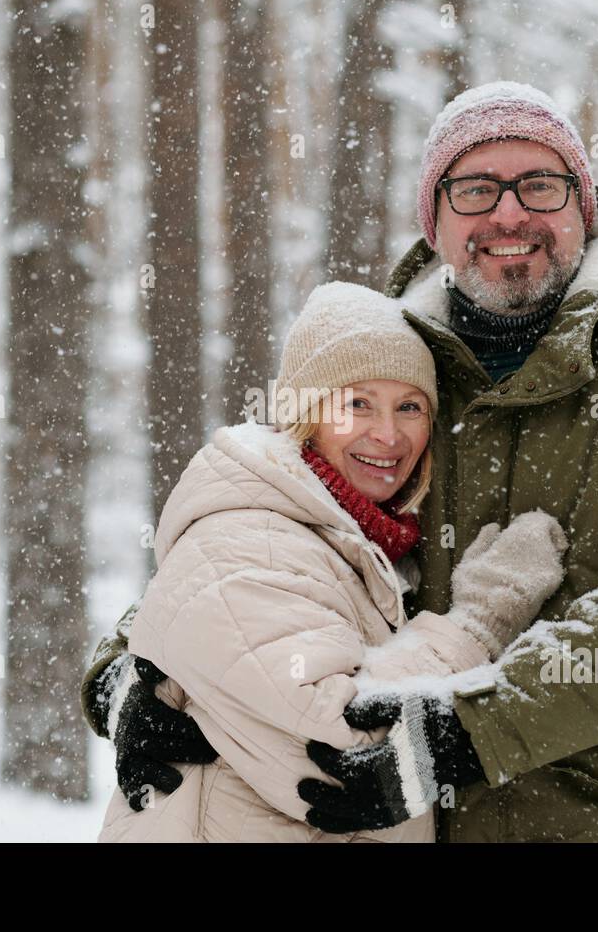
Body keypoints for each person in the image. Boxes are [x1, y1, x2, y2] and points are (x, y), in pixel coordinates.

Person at [85, 82, 598, 843]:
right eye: (476, 190)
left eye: (539, 186)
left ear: (583, 206)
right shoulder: (397, 369)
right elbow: (269, 519)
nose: (508, 214)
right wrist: (133, 669)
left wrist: (466, 732)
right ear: (436, 221)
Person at [96, 282, 567, 842]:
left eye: (410, 407)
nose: (388, 434)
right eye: (357, 403)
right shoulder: (253, 535)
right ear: (305, 415)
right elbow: (349, 747)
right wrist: (479, 623)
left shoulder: (360, 544)